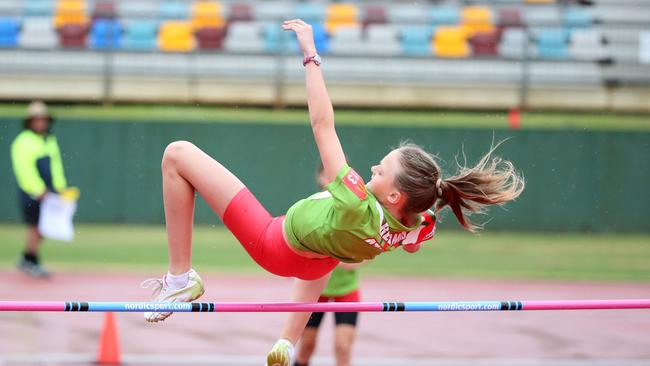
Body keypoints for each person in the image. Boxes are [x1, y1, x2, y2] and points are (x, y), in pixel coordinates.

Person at [141, 19, 525, 366]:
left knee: (177, 154)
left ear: (395, 197)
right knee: (326, 249)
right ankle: (286, 343)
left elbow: (323, 124)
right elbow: (412, 242)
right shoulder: (417, 223)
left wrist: (311, 56)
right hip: (318, 260)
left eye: (382, 169)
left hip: (274, 243)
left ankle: (180, 279)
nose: (374, 167)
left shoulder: (357, 201)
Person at [293, 164, 364, 366]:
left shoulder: (355, 210)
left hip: (346, 289)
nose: (332, 180)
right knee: (306, 347)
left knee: (343, 347)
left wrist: (342, 257)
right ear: (319, 178)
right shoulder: (312, 208)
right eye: (328, 175)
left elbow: (365, 253)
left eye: (337, 176)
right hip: (315, 289)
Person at [10, 101, 68, 278]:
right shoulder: (23, 141)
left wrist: (60, 188)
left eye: (43, 119)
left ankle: (27, 258)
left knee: (44, 227)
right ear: (29, 121)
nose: (40, 123)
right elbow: (24, 169)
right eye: (37, 119)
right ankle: (31, 261)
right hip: (33, 193)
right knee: (35, 228)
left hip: (50, 192)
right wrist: (37, 189)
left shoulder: (49, 140)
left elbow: (56, 166)